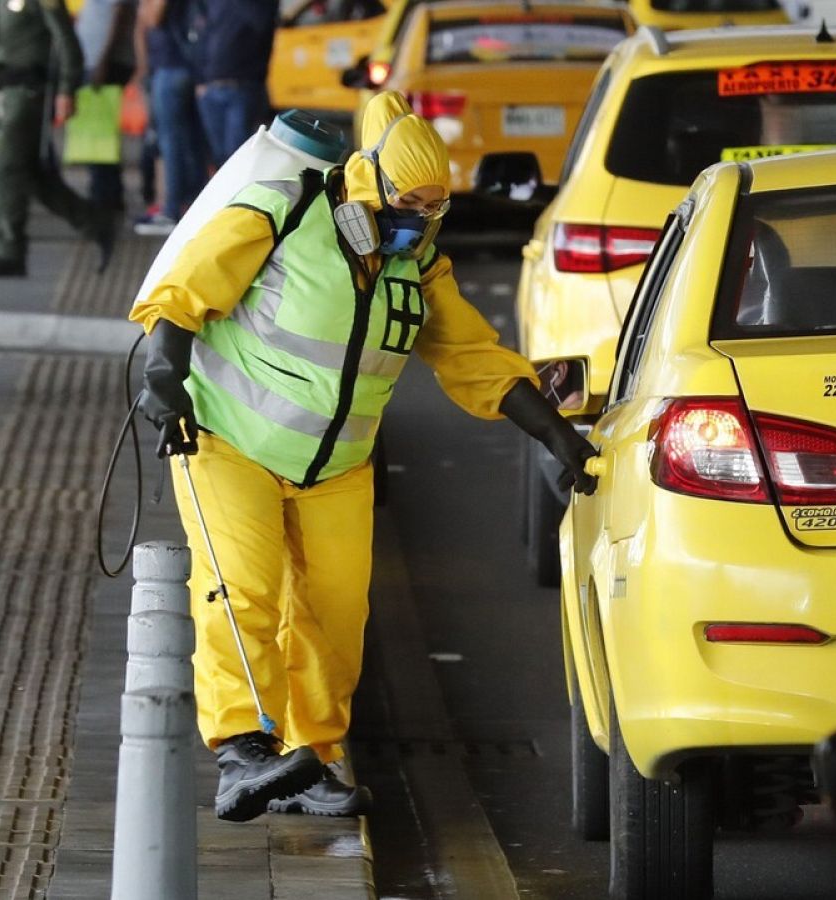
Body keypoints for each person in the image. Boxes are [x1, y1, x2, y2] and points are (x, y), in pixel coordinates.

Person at [129, 91, 599, 821]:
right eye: (406, 204)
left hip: (337, 467)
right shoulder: (282, 212)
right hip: (227, 440)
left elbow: (471, 354)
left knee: (335, 615)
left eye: (433, 209)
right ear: (366, 182)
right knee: (243, 591)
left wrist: (553, 432)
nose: (418, 221)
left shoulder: (419, 264)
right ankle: (242, 751)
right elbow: (185, 291)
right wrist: (165, 379)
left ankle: (311, 758)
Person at [0, 1, 116, 277]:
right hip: (11, 90)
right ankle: (95, 223)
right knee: (32, 176)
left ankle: (11, 250)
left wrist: (67, 88)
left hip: (29, 94)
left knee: (7, 170)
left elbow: (67, 41)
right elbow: (21, 35)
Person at [133, 0, 207, 234]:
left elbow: (152, 17)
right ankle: (196, 207)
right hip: (191, 65)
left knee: (171, 142)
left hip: (171, 66)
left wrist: (144, 10)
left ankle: (172, 210)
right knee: (192, 142)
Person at [190, 0, 277, 168]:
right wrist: (200, 80)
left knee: (238, 156)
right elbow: (202, 34)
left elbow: (263, 23)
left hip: (243, 87)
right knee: (219, 159)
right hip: (210, 87)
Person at [74, 0, 135, 211]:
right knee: (96, 133)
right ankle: (103, 193)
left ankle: (105, 197)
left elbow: (120, 15)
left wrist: (103, 60)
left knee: (101, 135)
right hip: (96, 63)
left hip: (106, 65)